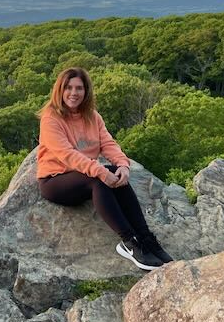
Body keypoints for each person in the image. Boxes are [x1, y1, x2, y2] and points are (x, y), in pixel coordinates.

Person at [37, 67, 172, 270]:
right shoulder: (51, 118)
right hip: (55, 181)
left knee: (115, 174)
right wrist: (101, 171)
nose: (74, 93)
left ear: (86, 91)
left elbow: (108, 144)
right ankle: (129, 242)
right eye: (68, 87)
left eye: (79, 88)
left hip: (83, 175)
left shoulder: (92, 116)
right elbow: (67, 155)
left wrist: (123, 166)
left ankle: (146, 238)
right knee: (99, 178)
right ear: (59, 90)